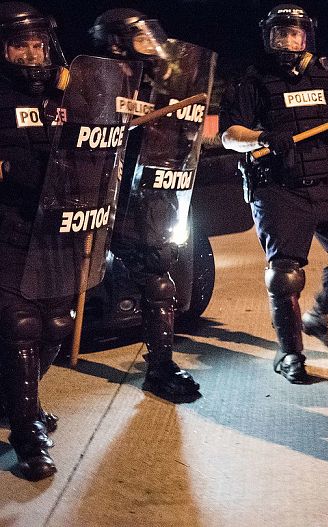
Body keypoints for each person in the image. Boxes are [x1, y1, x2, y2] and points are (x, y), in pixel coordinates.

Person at [219, 4, 328, 384]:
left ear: (306, 37)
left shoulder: (326, 75)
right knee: (285, 278)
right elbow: (229, 136)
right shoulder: (253, 79)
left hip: (327, 183)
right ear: (268, 37)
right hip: (279, 189)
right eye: (281, 34)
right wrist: (263, 138)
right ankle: (289, 353)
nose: (288, 42)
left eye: (295, 34)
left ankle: (320, 315)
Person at [90, 9, 201, 400]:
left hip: (137, 199)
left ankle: (160, 367)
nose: (153, 47)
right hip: (90, 196)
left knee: (157, 280)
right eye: (142, 40)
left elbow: (178, 141)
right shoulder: (88, 81)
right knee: (47, 307)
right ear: (116, 44)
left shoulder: (161, 87)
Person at [0, 1, 71, 480]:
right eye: (19, 46)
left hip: (57, 230)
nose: (31, 55)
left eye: (37, 45)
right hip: (8, 226)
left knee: (58, 324)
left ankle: (18, 400)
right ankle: (28, 436)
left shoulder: (63, 97)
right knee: (22, 324)